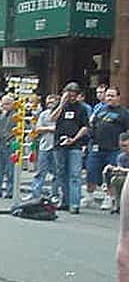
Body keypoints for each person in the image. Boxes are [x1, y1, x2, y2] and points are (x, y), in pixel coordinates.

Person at [82, 86, 129, 210]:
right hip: (97, 147)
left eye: (112, 96)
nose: (109, 98)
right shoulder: (99, 111)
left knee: (110, 174)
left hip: (114, 149)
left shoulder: (124, 113)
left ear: (118, 97)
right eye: (108, 95)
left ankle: (109, 198)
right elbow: (91, 126)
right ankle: (89, 196)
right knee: (91, 171)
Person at [51, 82, 89, 214]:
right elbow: (52, 118)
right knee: (61, 173)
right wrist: (61, 104)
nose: (71, 98)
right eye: (69, 95)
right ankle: (65, 200)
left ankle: (74, 203)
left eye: (74, 95)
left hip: (75, 145)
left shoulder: (82, 109)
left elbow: (85, 127)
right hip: (59, 144)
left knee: (74, 174)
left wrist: (74, 139)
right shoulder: (60, 107)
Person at [29, 94, 58, 199]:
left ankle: (55, 194)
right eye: (48, 101)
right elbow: (38, 129)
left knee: (57, 172)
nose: (50, 103)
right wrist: (51, 128)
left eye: (53, 101)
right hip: (44, 145)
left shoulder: (61, 113)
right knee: (40, 171)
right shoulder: (43, 114)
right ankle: (35, 193)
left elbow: (59, 128)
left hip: (56, 146)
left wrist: (46, 128)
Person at [103, 132, 129, 214]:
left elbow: (123, 169)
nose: (123, 148)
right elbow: (120, 169)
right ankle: (116, 203)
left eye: (126, 146)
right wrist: (113, 169)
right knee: (116, 179)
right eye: (121, 146)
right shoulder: (121, 157)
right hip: (125, 177)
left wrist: (122, 170)